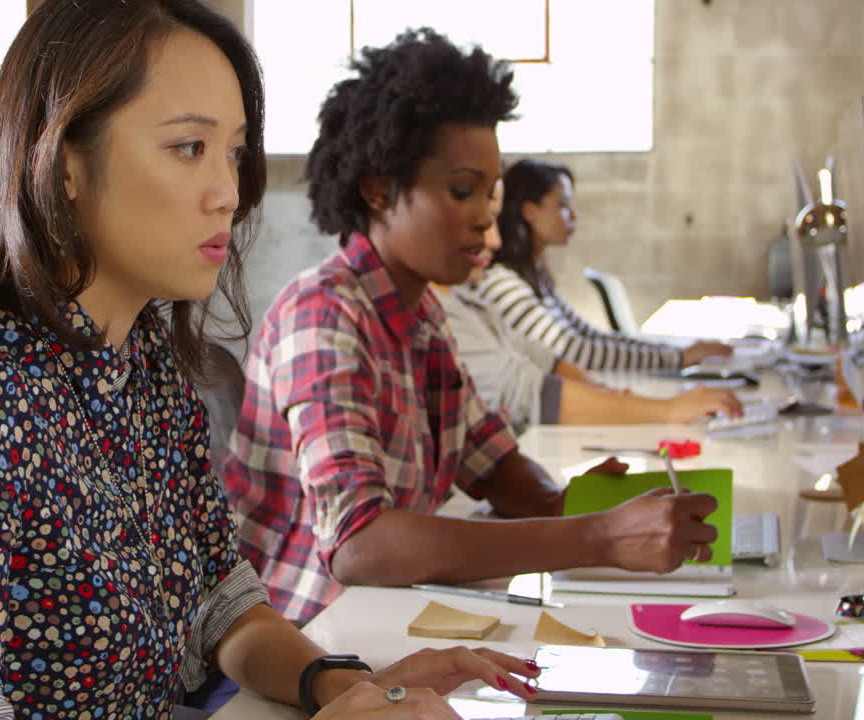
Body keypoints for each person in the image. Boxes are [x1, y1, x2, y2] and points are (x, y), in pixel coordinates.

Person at [0, 3, 539, 719]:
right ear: (65, 165)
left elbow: (220, 598)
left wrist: (342, 683)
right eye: (189, 148)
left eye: (235, 154)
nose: (231, 194)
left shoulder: (142, 358)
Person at [223, 28, 719, 628]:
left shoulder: (423, 314)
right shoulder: (324, 317)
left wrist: (558, 502)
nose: (487, 215)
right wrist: (594, 536)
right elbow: (360, 545)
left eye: (491, 192)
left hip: (385, 623)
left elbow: (491, 459)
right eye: (462, 190)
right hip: (308, 641)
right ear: (379, 189)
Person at [435, 182, 742, 434]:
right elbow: (565, 358)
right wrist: (670, 400)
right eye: (563, 206)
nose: (494, 240)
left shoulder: (497, 290)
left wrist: (614, 394)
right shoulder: (499, 285)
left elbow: (546, 354)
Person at [475, 158, 732, 371]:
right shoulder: (503, 283)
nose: (573, 216)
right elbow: (574, 353)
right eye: (563, 205)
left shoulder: (534, 278)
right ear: (530, 211)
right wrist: (678, 357)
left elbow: (589, 336)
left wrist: (678, 351)